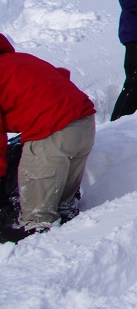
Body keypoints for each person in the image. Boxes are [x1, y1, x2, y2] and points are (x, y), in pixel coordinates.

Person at [0, 34, 96, 242]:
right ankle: (75, 241)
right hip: (84, 123)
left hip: (53, 131)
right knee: (64, 205)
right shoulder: (18, 60)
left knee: (37, 223)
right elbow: (60, 77)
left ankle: (43, 263)